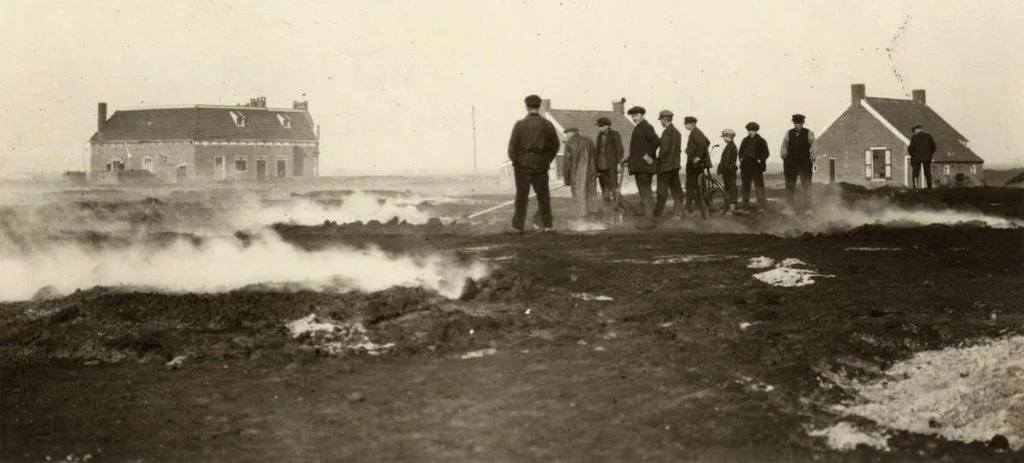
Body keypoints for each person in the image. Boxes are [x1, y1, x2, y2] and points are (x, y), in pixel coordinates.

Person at [506, 94, 560, 233]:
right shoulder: (547, 125)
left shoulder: (519, 125)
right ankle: (548, 225)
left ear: (526, 106)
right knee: (543, 197)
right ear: (539, 106)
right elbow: (555, 146)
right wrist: (546, 160)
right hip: (541, 166)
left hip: (522, 167)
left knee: (521, 198)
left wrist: (517, 162)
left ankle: (517, 227)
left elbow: (512, 148)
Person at [625, 106, 660, 228]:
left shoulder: (646, 127)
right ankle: (648, 218)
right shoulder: (638, 128)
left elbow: (656, 141)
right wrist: (629, 159)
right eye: (633, 116)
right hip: (638, 166)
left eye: (637, 115)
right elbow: (638, 149)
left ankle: (649, 221)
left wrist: (648, 154)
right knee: (644, 193)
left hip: (644, 167)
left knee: (646, 193)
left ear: (643, 115)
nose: (634, 118)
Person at [780, 113, 816, 213]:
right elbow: (784, 147)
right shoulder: (789, 133)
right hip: (791, 163)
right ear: (794, 123)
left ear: (802, 123)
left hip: (804, 163)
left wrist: (812, 158)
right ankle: (789, 208)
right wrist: (784, 157)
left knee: (807, 185)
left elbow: (813, 146)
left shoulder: (809, 133)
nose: (797, 125)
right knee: (789, 185)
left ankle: (808, 209)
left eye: (799, 123)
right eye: (795, 123)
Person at [654, 110, 685, 219]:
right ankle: (678, 214)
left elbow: (664, 151)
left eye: (661, 120)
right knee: (677, 192)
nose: (661, 122)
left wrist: (657, 161)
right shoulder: (677, 132)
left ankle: (657, 215)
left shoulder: (666, 133)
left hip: (665, 167)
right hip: (674, 167)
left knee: (661, 192)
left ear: (664, 119)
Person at [563, 127, 600, 218]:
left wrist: (566, 179)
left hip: (576, 175)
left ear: (571, 133)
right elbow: (595, 157)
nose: (566, 136)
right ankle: (593, 216)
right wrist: (596, 171)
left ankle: (582, 218)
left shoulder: (569, 143)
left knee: (579, 196)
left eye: (567, 134)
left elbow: (567, 163)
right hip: (591, 173)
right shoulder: (589, 141)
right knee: (590, 194)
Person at [682, 116, 711, 213]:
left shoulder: (695, 133)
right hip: (696, 165)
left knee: (690, 185)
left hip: (694, 165)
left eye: (686, 124)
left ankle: (687, 208)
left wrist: (698, 156)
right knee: (696, 185)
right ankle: (698, 206)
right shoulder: (697, 132)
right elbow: (706, 142)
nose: (685, 125)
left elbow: (704, 144)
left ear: (691, 124)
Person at [594, 117, 624, 209]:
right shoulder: (599, 136)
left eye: (601, 126)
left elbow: (620, 149)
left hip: (611, 166)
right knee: (604, 189)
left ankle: (620, 208)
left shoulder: (615, 134)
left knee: (614, 188)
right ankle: (607, 209)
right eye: (599, 126)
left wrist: (619, 163)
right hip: (600, 167)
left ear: (607, 126)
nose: (599, 128)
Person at [738, 122, 769, 211]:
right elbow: (740, 151)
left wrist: (760, 159)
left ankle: (762, 207)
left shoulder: (761, 140)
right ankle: (745, 207)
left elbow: (766, 153)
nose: (750, 132)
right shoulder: (745, 140)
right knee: (745, 187)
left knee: (759, 186)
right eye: (749, 130)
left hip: (756, 167)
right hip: (746, 166)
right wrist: (741, 158)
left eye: (752, 130)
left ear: (756, 130)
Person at [908, 124, 937, 189]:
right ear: (920, 129)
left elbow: (910, 148)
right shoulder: (928, 136)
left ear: (916, 130)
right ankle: (929, 188)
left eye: (914, 131)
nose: (914, 132)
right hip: (927, 157)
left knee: (915, 174)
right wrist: (929, 153)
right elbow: (934, 146)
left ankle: (915, 188)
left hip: (916, 158)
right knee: (927, 173)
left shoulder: (914, 137)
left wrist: (912, 154)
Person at [717, 128, 739, 212]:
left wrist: (723, 168)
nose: (723, 138)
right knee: (728, 188)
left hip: (729, 171)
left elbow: (727, 161)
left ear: (728, 137)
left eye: (724, 137)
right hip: (728, 171)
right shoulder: (729, 146)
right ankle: (730, 207)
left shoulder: (731, 147)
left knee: (731, 188)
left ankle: (732, 208)